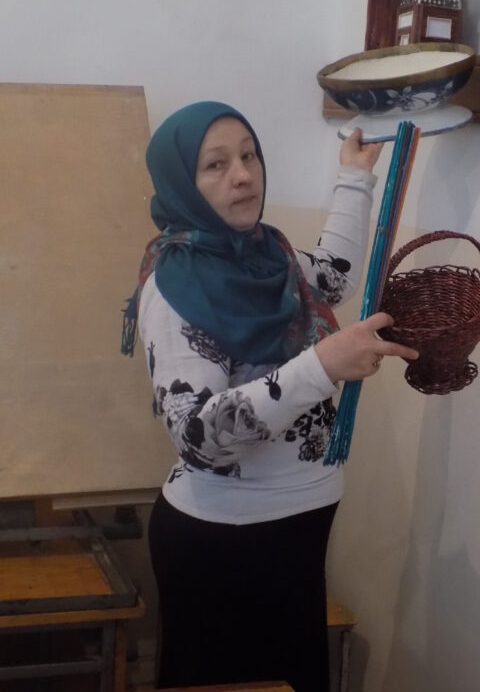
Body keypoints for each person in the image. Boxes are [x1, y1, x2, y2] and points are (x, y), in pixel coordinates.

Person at [121, 100, 418, 690]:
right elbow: (200, 438)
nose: (242, 175)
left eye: (249, 155)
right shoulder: (175, 286)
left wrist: (354, 176)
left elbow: (331, 276)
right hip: (222, 543)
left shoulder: (269, 254)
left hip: (301, 528)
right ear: (181, 182)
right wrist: (322, 366)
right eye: (215, 164)